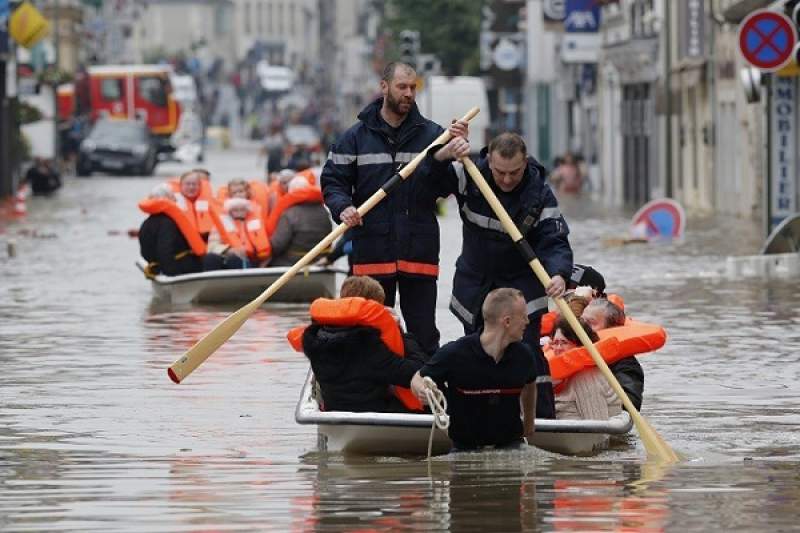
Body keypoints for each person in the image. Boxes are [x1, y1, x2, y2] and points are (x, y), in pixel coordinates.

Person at [321, 61, 468, 355]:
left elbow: (445, 188)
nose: (409, 94)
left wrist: (448, 156)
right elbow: (333, 181)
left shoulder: (434, 137)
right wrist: (343, 208)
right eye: (402, 87)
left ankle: (424, 391)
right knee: (369, 332)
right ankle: (373, 392)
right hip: (371, 252)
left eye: (413, 87)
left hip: (419, 253)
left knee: (424, 334)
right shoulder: (354, 138)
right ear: (384, 87)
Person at [429, 131, 573, 419]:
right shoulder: (469, 174)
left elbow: (555, 242)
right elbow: (426, 181)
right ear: (489, 162)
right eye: (500, 172)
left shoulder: (540, 193)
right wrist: (442, 154)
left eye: (514, 172)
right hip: (475, 283)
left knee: (528, 353)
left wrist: (558, 274)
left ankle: (543, 420)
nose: (507, 179)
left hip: (522, 284)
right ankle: (474, 418)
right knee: (477, 352)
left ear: (525, 164)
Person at [410, 288, 539, 451]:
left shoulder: (524, 355)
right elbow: (417, 378)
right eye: (523, 316)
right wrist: (421, 389)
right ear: (507, 321)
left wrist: (529, 423)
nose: (527, 321)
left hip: (510, 444)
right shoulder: (456, 353)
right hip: (465, 448)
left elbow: (530, 385)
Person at [287, 275, 427, 413]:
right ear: (375, 309)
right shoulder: (370, 344)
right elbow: (415, 372)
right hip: (375, 411)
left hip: (333, 408)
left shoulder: (314, 338)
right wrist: (401, 333)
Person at [138, 184, 225, 276]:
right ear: (167, 200)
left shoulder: (147, 223)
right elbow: (164, 250)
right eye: (173, 197)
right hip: (179, 268)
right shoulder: (167, 223)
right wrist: (173, 274)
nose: (175, 200)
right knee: (214, 259)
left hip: (163, 265)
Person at [549, 316, 622, 421]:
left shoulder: (586, 378)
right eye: (555, 343)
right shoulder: (559, 377)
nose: (558, 348)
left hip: (580, 436)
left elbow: (598, 427)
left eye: (564, 342)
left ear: (580, 345)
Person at [582, 298, 645, 410]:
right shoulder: (564, 347)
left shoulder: (626, 364)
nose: (582, 328)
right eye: (581, 322)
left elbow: (630, 403)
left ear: (610, 330)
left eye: (590, 323)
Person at [267, 177, 332, 266]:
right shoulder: (324, 211)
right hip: (320, 260)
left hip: (294, 263)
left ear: (290, 193)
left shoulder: (290, 214)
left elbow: (277, 245)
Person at [213, 197, 271, 268]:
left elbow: (266, 246)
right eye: (235, 209)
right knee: (212, 258)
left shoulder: (256, 224)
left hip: (251, 261)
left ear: (247, 211)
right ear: (230, 211)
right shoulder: (220, 224)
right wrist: (228, 250)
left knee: (235, 260)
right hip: (226, 259)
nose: (239, 212)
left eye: (242, 209)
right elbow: (212, 246)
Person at [173, 169, 220, 241]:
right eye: (188, 184)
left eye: (194, 184)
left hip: (205, 240)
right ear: (181, 185)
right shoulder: (173, 202)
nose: (191, 187)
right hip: (180, 239)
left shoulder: (212, 202)